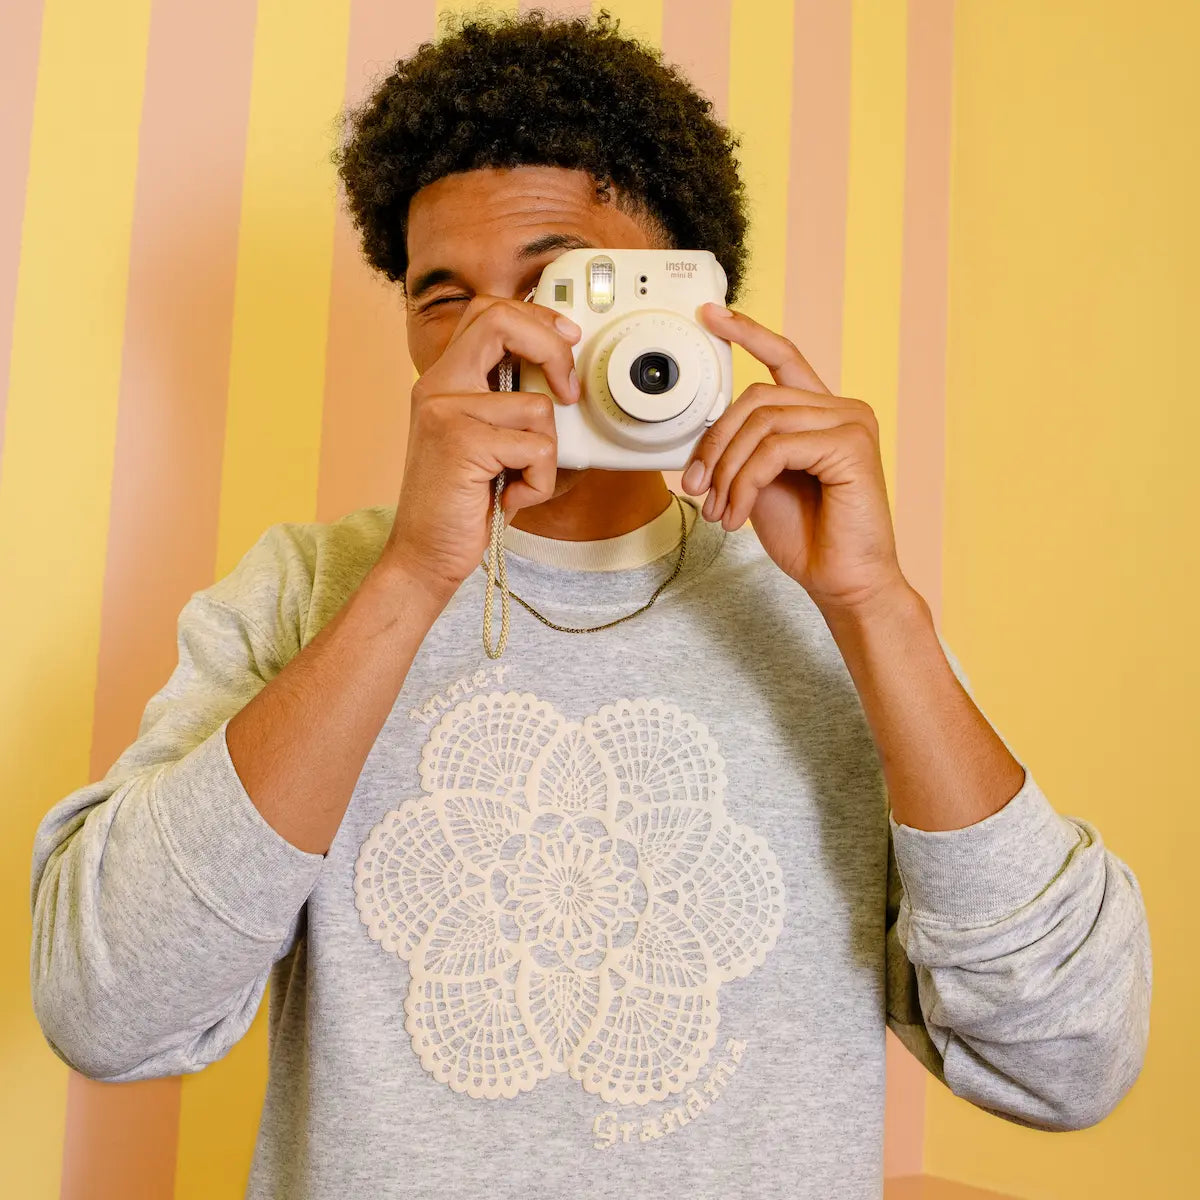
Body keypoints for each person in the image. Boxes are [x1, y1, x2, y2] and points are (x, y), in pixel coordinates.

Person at [29, 9, 1150, 1199]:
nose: (499, 338)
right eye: (440, 295)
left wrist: (875, 604)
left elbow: (1070, 1060)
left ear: (688, 298)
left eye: (559, 280)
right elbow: (107, 1008)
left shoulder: (838, 622)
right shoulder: (306, 593)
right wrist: (413, 574)